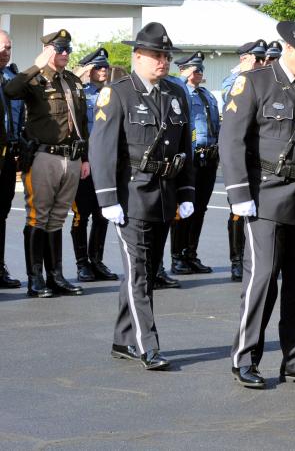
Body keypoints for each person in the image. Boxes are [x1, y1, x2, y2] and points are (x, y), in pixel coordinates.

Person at [221, 14, 295, 389]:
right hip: (266, 195)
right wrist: (240, 194)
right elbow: (232, 140)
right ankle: (246, 357)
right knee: (262, 280)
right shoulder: (254, 83)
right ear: (288, 48)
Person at [89, 22, 196, 370]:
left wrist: (186, 191)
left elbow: (184, 150)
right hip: (130, 196)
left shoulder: (176, 94)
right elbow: (102, 149)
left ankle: (122, 340)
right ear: (137, 56)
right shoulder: (117, 93)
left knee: (146, 272)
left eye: (166, 55)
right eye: (156, 55)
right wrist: (107, 199)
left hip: (163, 196)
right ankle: (147, 344)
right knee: (137, 272)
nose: (163, 61)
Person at [4, 29, 89, 298]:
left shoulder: (74, 81)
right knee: (37, 216)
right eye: (59, 49)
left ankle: (56, 276)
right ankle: (35, 278)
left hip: (71, 156)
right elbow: (10, 90)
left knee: (58, 218)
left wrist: (85, 157)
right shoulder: (35, 79)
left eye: (67, 49)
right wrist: (36, 65)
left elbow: (82, 123)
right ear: (48, 50)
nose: (65, 53)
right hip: (44, 156)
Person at [167, 52, 219, 276]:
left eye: (200, 69)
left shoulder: (207, 95)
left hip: (209, 157)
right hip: (191, 157)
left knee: (200, 210)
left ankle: (190, 254)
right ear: (184, 71)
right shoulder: (180, 92)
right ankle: (177, 257)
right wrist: (183, 79)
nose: (199, 73)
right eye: (194, 69)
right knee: (183, 209)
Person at [71, 48, 119, 282]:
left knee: (103, 214)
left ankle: (96, 260)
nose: (103, 71)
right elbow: (77, 129)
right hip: (86, 162)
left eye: (105, 67)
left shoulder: (114, 93)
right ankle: (82, 264)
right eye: (98, 67)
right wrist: (81, 159)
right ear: (89, 69)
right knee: (82, 214)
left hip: (108, 164)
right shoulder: (80, 94)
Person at [222, 39, 267, 282]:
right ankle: (237, 259)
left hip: (262, 162)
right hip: (242, 159)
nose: (262, 64)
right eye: (257, 59)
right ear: (244, 59)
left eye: (264, 59)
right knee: (238, 214)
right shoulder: (237, 83)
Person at [0, 30, 24, 290]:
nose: (6, 52)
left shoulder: (11, 77)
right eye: (3, 47)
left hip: (8, 154)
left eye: (9, 47)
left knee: (3, 213)